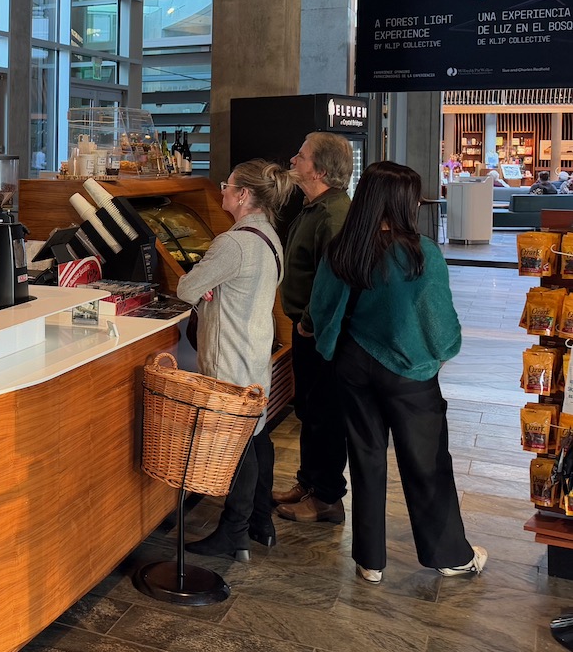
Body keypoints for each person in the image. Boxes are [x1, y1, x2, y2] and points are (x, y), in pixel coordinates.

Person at [306, 161, 487, 584]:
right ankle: (448, 555)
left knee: (365, 458)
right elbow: (440, 323)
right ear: (404, 201)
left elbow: (321, 308)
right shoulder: (422, 252)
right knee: (427, 462)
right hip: (408, 372)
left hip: (352, 364)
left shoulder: (343, 247)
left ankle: (370, 561)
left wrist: (327, 342)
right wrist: (443, 353)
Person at [176, 159, 293, 561]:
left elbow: (187, 287)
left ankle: (234, 534)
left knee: (237, 446)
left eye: (227, 186)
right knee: (257, 437)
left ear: (243, 195)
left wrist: (206, 287)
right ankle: (262, 522)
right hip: (255, 349)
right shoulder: (269, 236)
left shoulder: (232, 242)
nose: (222, 190)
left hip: (228, 356)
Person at [275, 131, 354, 525]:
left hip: (321, 335)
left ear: (320, 169)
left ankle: (326, 498)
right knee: (309, 410)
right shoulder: (313, 207)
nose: (293, 159)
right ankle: (308, 482)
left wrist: (309, 323)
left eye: (301, 156)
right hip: (307, 329)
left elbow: (336, 281)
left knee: (325, 414)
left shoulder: (333, 215)